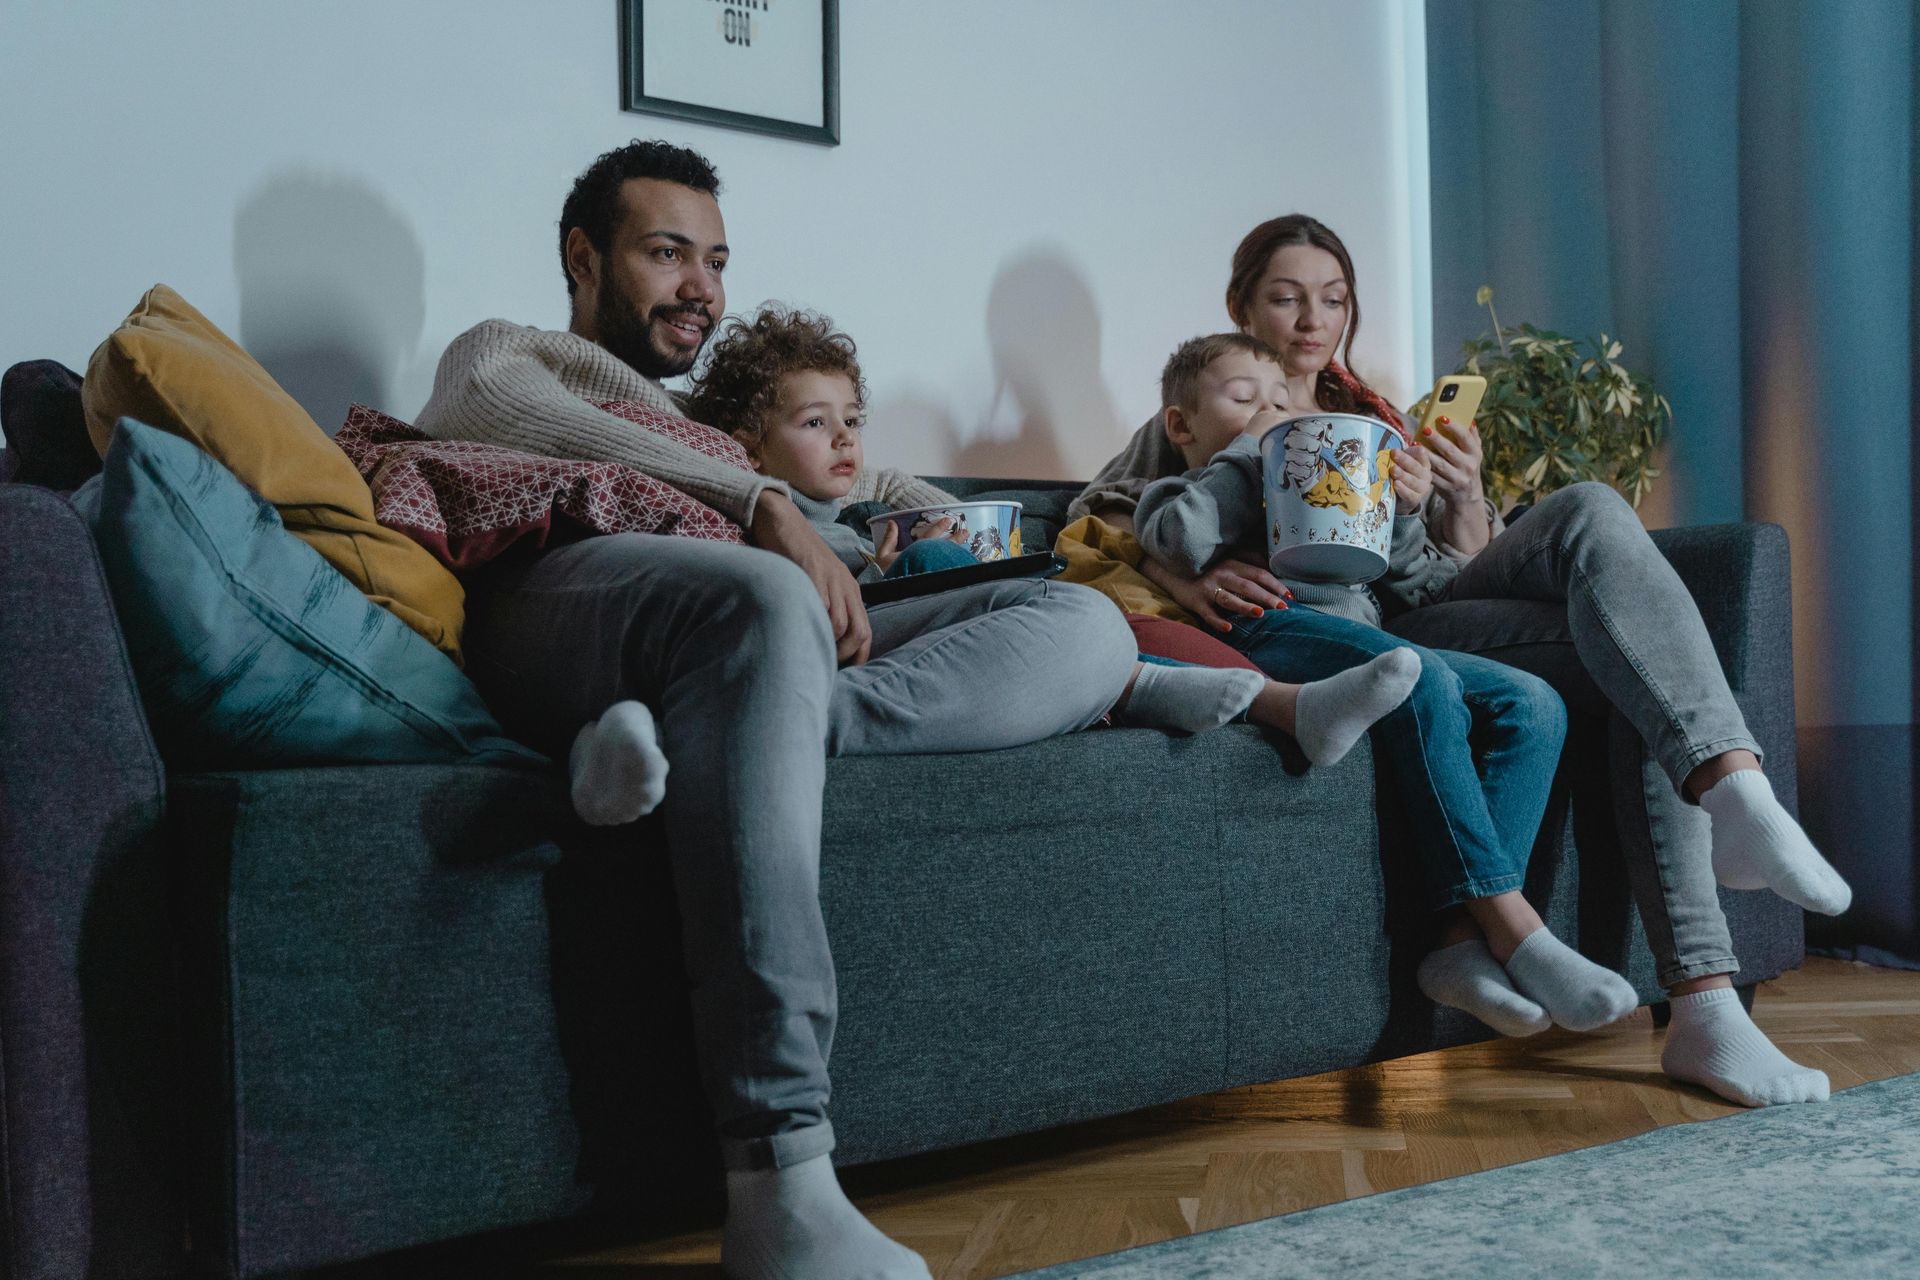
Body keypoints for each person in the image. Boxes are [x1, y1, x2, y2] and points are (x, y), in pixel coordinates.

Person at [415, 140, 1140, 1280]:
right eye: (666, 252)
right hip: (570, 592)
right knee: (763, 599)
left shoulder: (713, 421)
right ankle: (781, 1172)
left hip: (741, 631)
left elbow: (855, 468)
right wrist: (760, 504)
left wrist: (918, 508)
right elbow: (486, 403)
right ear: (583, 256)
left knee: (1088, 625)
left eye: (715, 258)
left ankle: (757, 721)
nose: (701, 284)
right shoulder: (516, 352)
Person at [1089, 212, 1845, 1108]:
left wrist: (1458, 495)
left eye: (1333, 299)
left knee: (1597, 518)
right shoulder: (1214, 402)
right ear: (1241, 306)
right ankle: (1711, 953)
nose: (1311, 319)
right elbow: (1106, 516)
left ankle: (1728, 820)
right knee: (1623, 656)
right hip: (1364, 629)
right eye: (1286, 298)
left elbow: (1440, 565)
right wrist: (1191, 578)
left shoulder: (1373, 417)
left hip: (1420, 603)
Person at [1134, 331, 1639, 1038]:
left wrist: (1403, 506)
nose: (1271, 410)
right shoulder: (1185, 485)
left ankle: (1459, 944)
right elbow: (1178, 541)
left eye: (1281, 399)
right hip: (1267, 629)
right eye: (1244, 398)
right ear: (1182, 424)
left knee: (1533, 703)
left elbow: (1387, 568)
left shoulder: (1322, 471)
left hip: (1372, 634)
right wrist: (1253, 449)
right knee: (1419, 676)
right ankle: (1515, 927)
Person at [690, 303, 1425, 754]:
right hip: (851, 638)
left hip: (929, 627)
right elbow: (1106, 511)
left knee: (1024, 588)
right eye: (817, 424)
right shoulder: (757, 512)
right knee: (982, 572)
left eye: (853, 421)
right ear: (749, 446)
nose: (847, 438)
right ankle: (1166, 689)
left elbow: (898, 491)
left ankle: (1163, 690)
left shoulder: (866, 502)